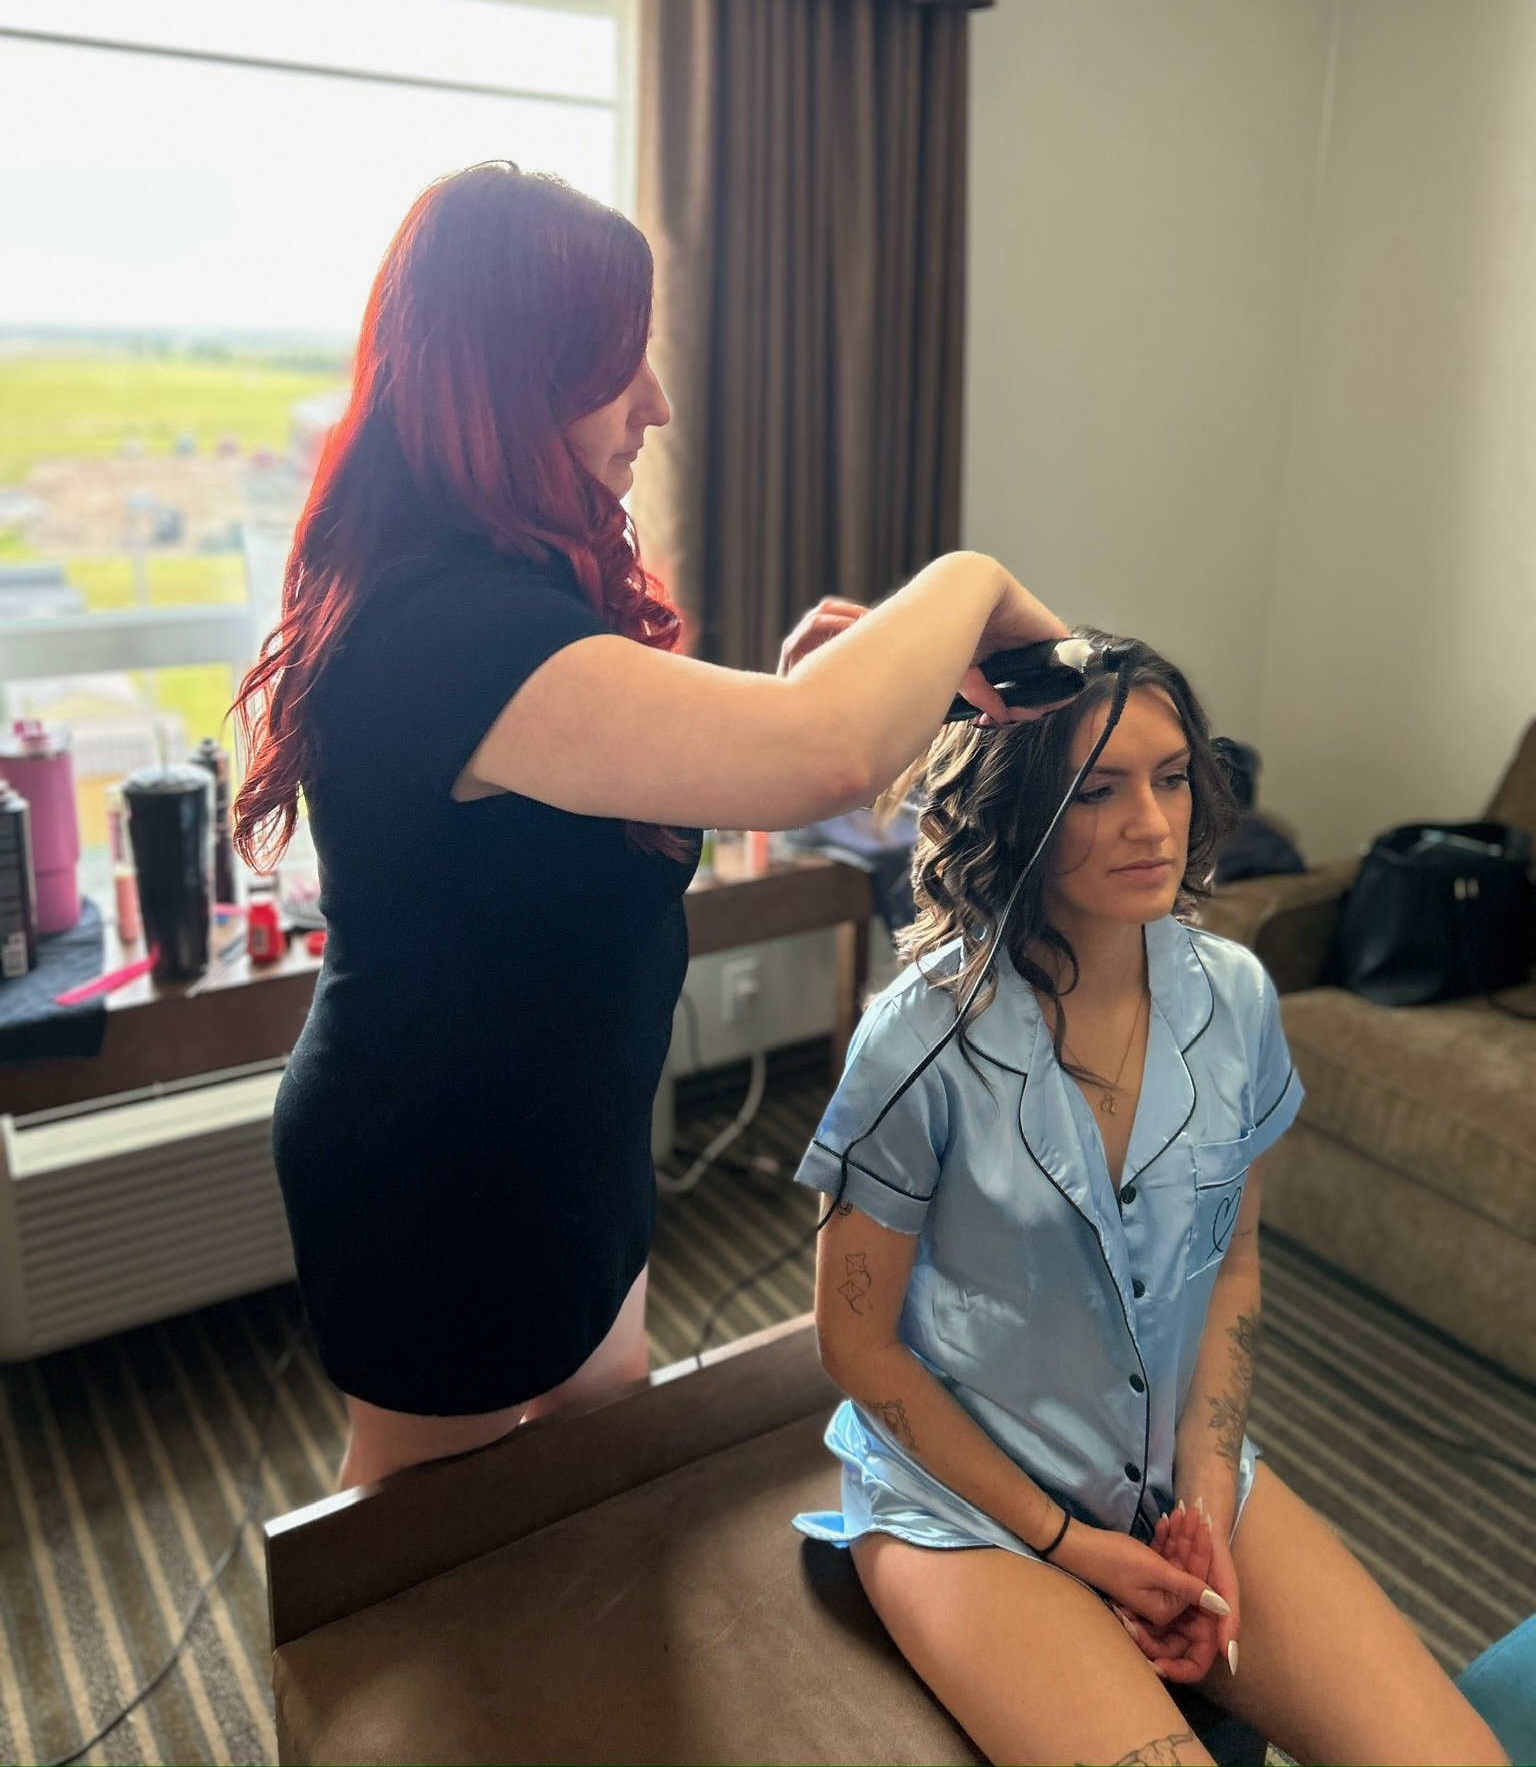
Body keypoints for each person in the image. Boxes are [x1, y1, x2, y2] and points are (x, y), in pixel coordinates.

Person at [231, 160, 1067, 1491]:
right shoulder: (450, 627)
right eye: (619, 369)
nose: (658, 408)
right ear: (510, 379)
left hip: (572, 1130)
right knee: (425, 1561)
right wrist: (967, 584)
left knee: (599, 1482)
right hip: (442, 1164)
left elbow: (699, 763)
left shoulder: (496, 602)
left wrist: (790, 705)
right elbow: (827, 755)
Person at [794, 635, 1508, 1766]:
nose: (1154, 822)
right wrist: (1071, 1541)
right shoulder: (917, 1039)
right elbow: (853, 1342)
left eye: (1172, 778)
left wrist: (1209, 1493)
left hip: (1175, 1475)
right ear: (1022, 807)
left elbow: (1234, 1265)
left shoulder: (1235, 997)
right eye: (1099, 788)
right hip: (968, 1507)